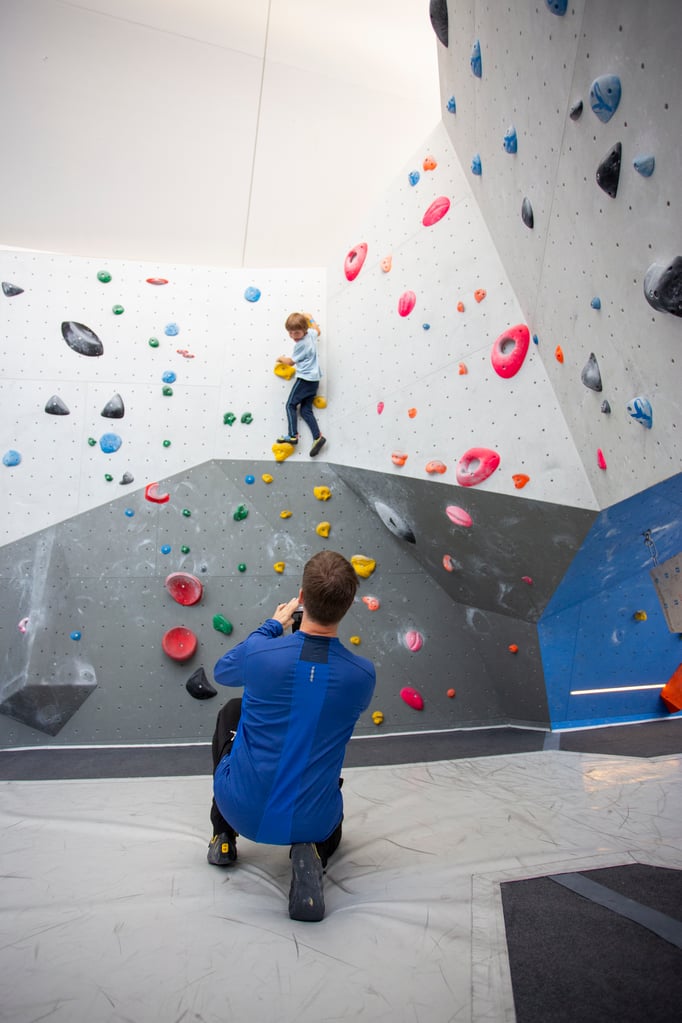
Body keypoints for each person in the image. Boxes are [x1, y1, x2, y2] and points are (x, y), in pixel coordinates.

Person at [207, 550, 376, 922]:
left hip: (240, 810)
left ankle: (223, 835)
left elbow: (223, 671)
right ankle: (312, 851)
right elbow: (312, 692)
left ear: (301, 597)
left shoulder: (261, 655)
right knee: (316, 736)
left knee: (231, 712)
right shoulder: (362, 676)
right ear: (348, 605)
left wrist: (272, 626)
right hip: (315, 821)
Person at [275, 312, 326, 457]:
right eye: (290, 333)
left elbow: (291, 362)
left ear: (304, 330)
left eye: (296, 333)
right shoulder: (311, 334)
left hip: (305, 379)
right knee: (305, 410)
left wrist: (280, 358)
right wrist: (310, 318)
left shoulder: (301, 345)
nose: (293, 336)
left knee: (290, 405)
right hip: (314, 380)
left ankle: (292, 435)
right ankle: (318, 437)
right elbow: (318, 330)